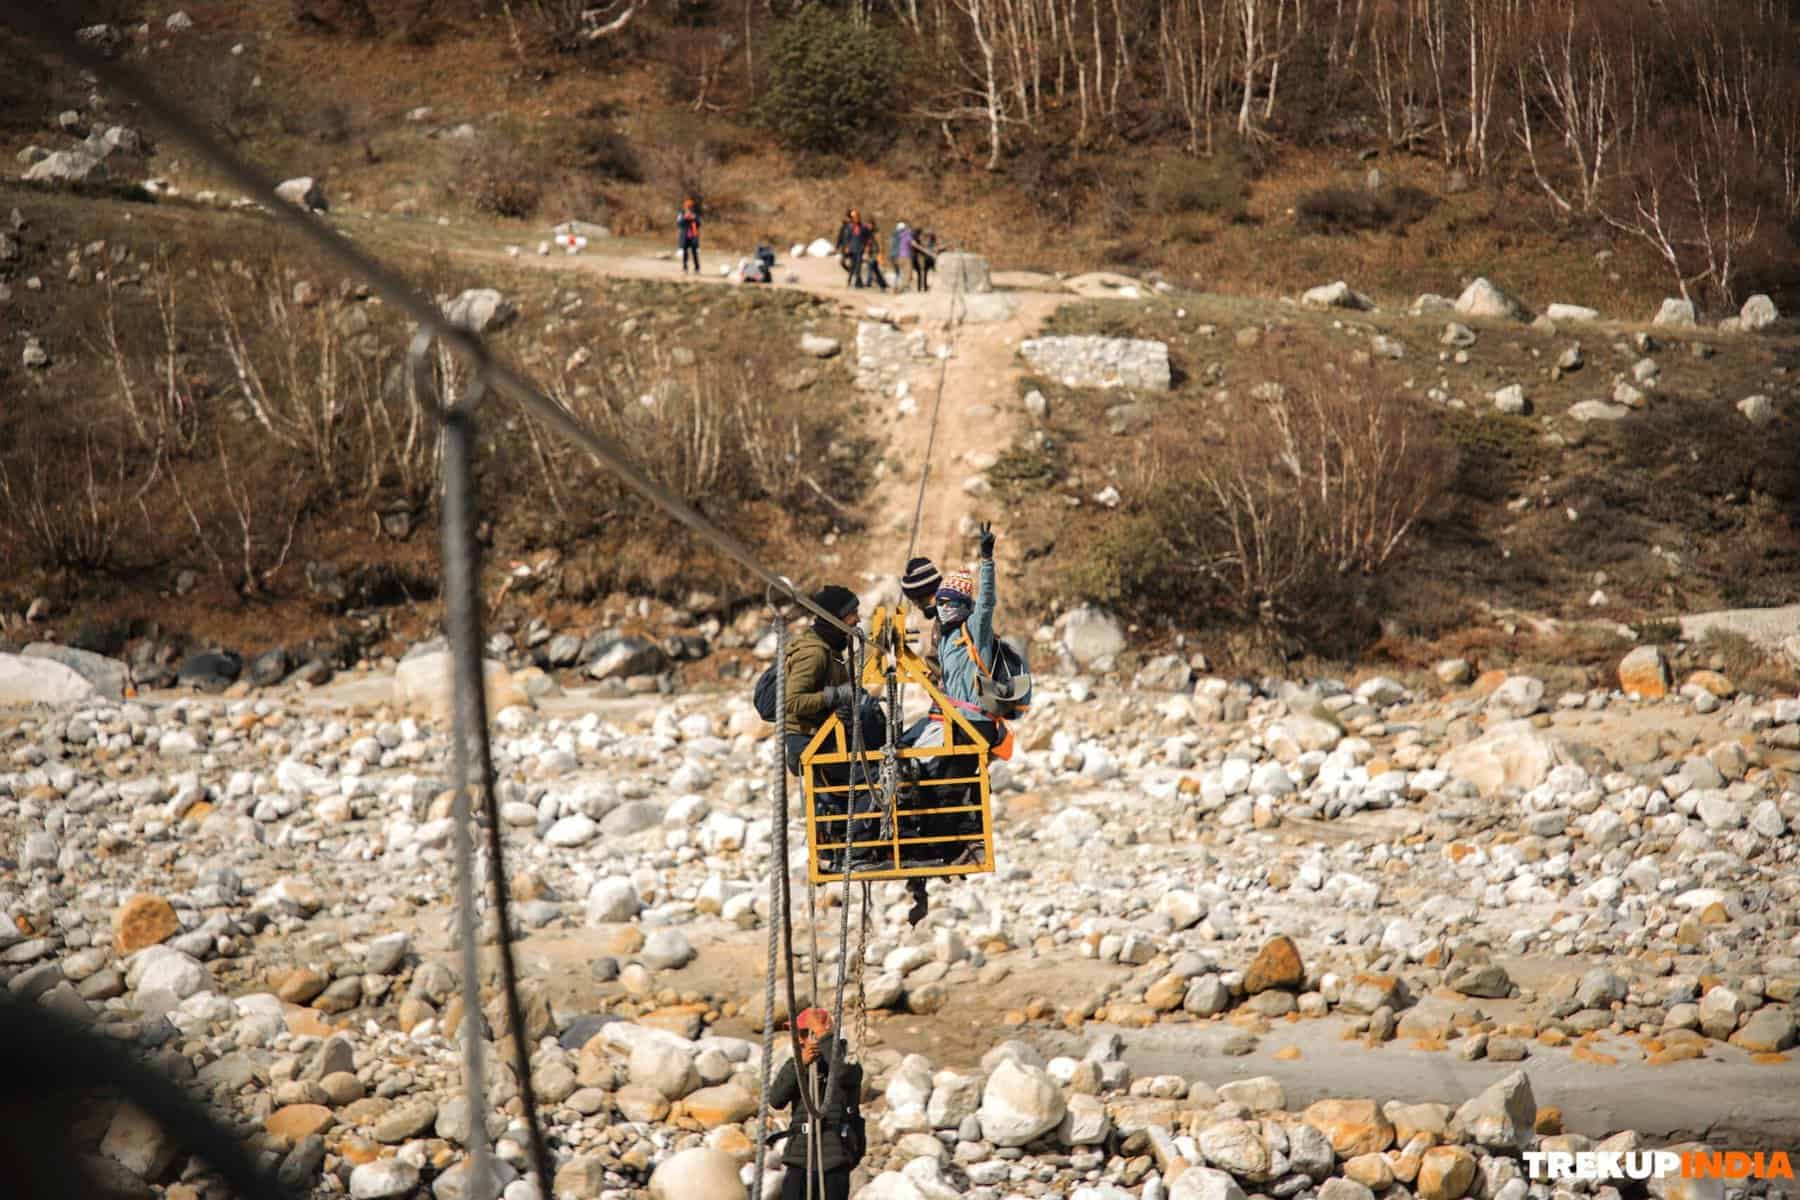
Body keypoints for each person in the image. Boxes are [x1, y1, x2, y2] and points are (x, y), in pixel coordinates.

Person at [782, 585, 884, 871]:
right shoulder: (815, 654)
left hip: (822, 738)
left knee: (868, 770)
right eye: (852, 615)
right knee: (872, 777)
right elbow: (790, 701)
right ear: (835, 618)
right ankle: (859, 851)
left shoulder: (830, 648)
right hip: (807, 743)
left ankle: (844, 845)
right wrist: (835, 696)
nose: (857, 620)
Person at [769, 1008, 865, 1200]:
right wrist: (800, 1065)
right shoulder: (799, 1066)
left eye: (806, 1033)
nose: (801, 1040)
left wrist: (823, 1036)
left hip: (834, 1158)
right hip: (799, 1158)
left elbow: (841, 1074)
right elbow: (776, 1099)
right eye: (798, 1035)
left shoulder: (848, 1065)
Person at [899, 555, 943, 682]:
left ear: (923, 594)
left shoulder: (952, 617)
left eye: (914, 600)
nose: (915, 605)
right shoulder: (943, 618)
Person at [676, 199, 702, 274]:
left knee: (695, 253)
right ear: (685, 207)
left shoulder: (696, 214)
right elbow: (679, 223)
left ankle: (697, 268)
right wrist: (685, 218)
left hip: (693, 236)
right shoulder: (681, 213)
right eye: (688, 207)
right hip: (684, 236)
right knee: (685, 252)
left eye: (690, 207)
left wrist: (694, 218)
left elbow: (699, 223)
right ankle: (685, 268)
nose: (689, 208)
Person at [890, 221, 914, 294]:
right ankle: (904, 288)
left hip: (894, 257)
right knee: (906, 272)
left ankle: (895, 288)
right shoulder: (906, 234)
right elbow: (912, 243)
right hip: (905, 256)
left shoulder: (895, 235)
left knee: (897, 273)